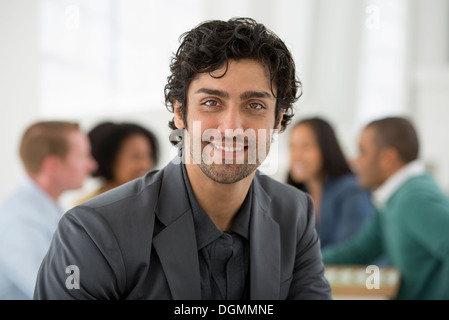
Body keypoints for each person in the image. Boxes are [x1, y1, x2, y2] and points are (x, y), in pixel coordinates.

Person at [34, 17, 332, 300]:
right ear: (180, 112)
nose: (231, 127)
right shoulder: (92, 232)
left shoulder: (294, 214)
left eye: (254, 104)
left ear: (278, 119)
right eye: (211, 102)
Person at [321, 116, 449, 300]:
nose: (356, 161)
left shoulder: (415, 197)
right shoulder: (392, 198)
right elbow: (361, 249)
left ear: (388, 158)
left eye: (362, 152)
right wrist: (302, 260)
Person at [0, 121, 97, 299]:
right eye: (82, 157)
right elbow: (56, 294)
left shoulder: (44, 208)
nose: (92, 166)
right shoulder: (21, 221)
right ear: (52, 165)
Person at [287, 117, 374, 249]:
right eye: (292, 147)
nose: (296, 156)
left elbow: (350, 251)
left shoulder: (351, 190)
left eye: (305, 146)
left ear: (325, 148)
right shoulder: (298, 194)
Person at [77, 121, 159, 203]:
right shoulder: (83, 208)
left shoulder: (156, 201)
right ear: (111, 157)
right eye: (136, 156)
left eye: (149, 156)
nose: (145, 165)